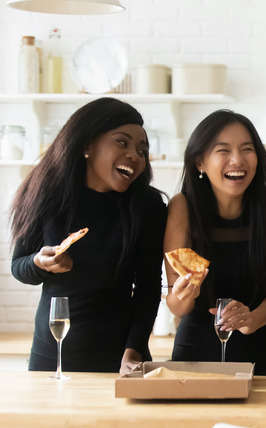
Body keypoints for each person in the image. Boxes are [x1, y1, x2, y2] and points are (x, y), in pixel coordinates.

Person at [10, 97, 167, 374]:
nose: (135, 154)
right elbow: (19, 266)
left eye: (142, 150)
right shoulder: (47, 194)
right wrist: (39, 262)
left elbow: (148, 289)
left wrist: (134, 351)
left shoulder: (147, 206)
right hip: (52, 351)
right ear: (87, 144)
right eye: (122, 142)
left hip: (120, 355)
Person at [164, 110, 266, 375]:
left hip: (262, 354)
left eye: (247, 149)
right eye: (223, 150)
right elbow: (175, 304)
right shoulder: (182, 207)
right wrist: (182, 295)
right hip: (194, 357)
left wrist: (252, 319)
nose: (237, 160)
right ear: (200, 162)